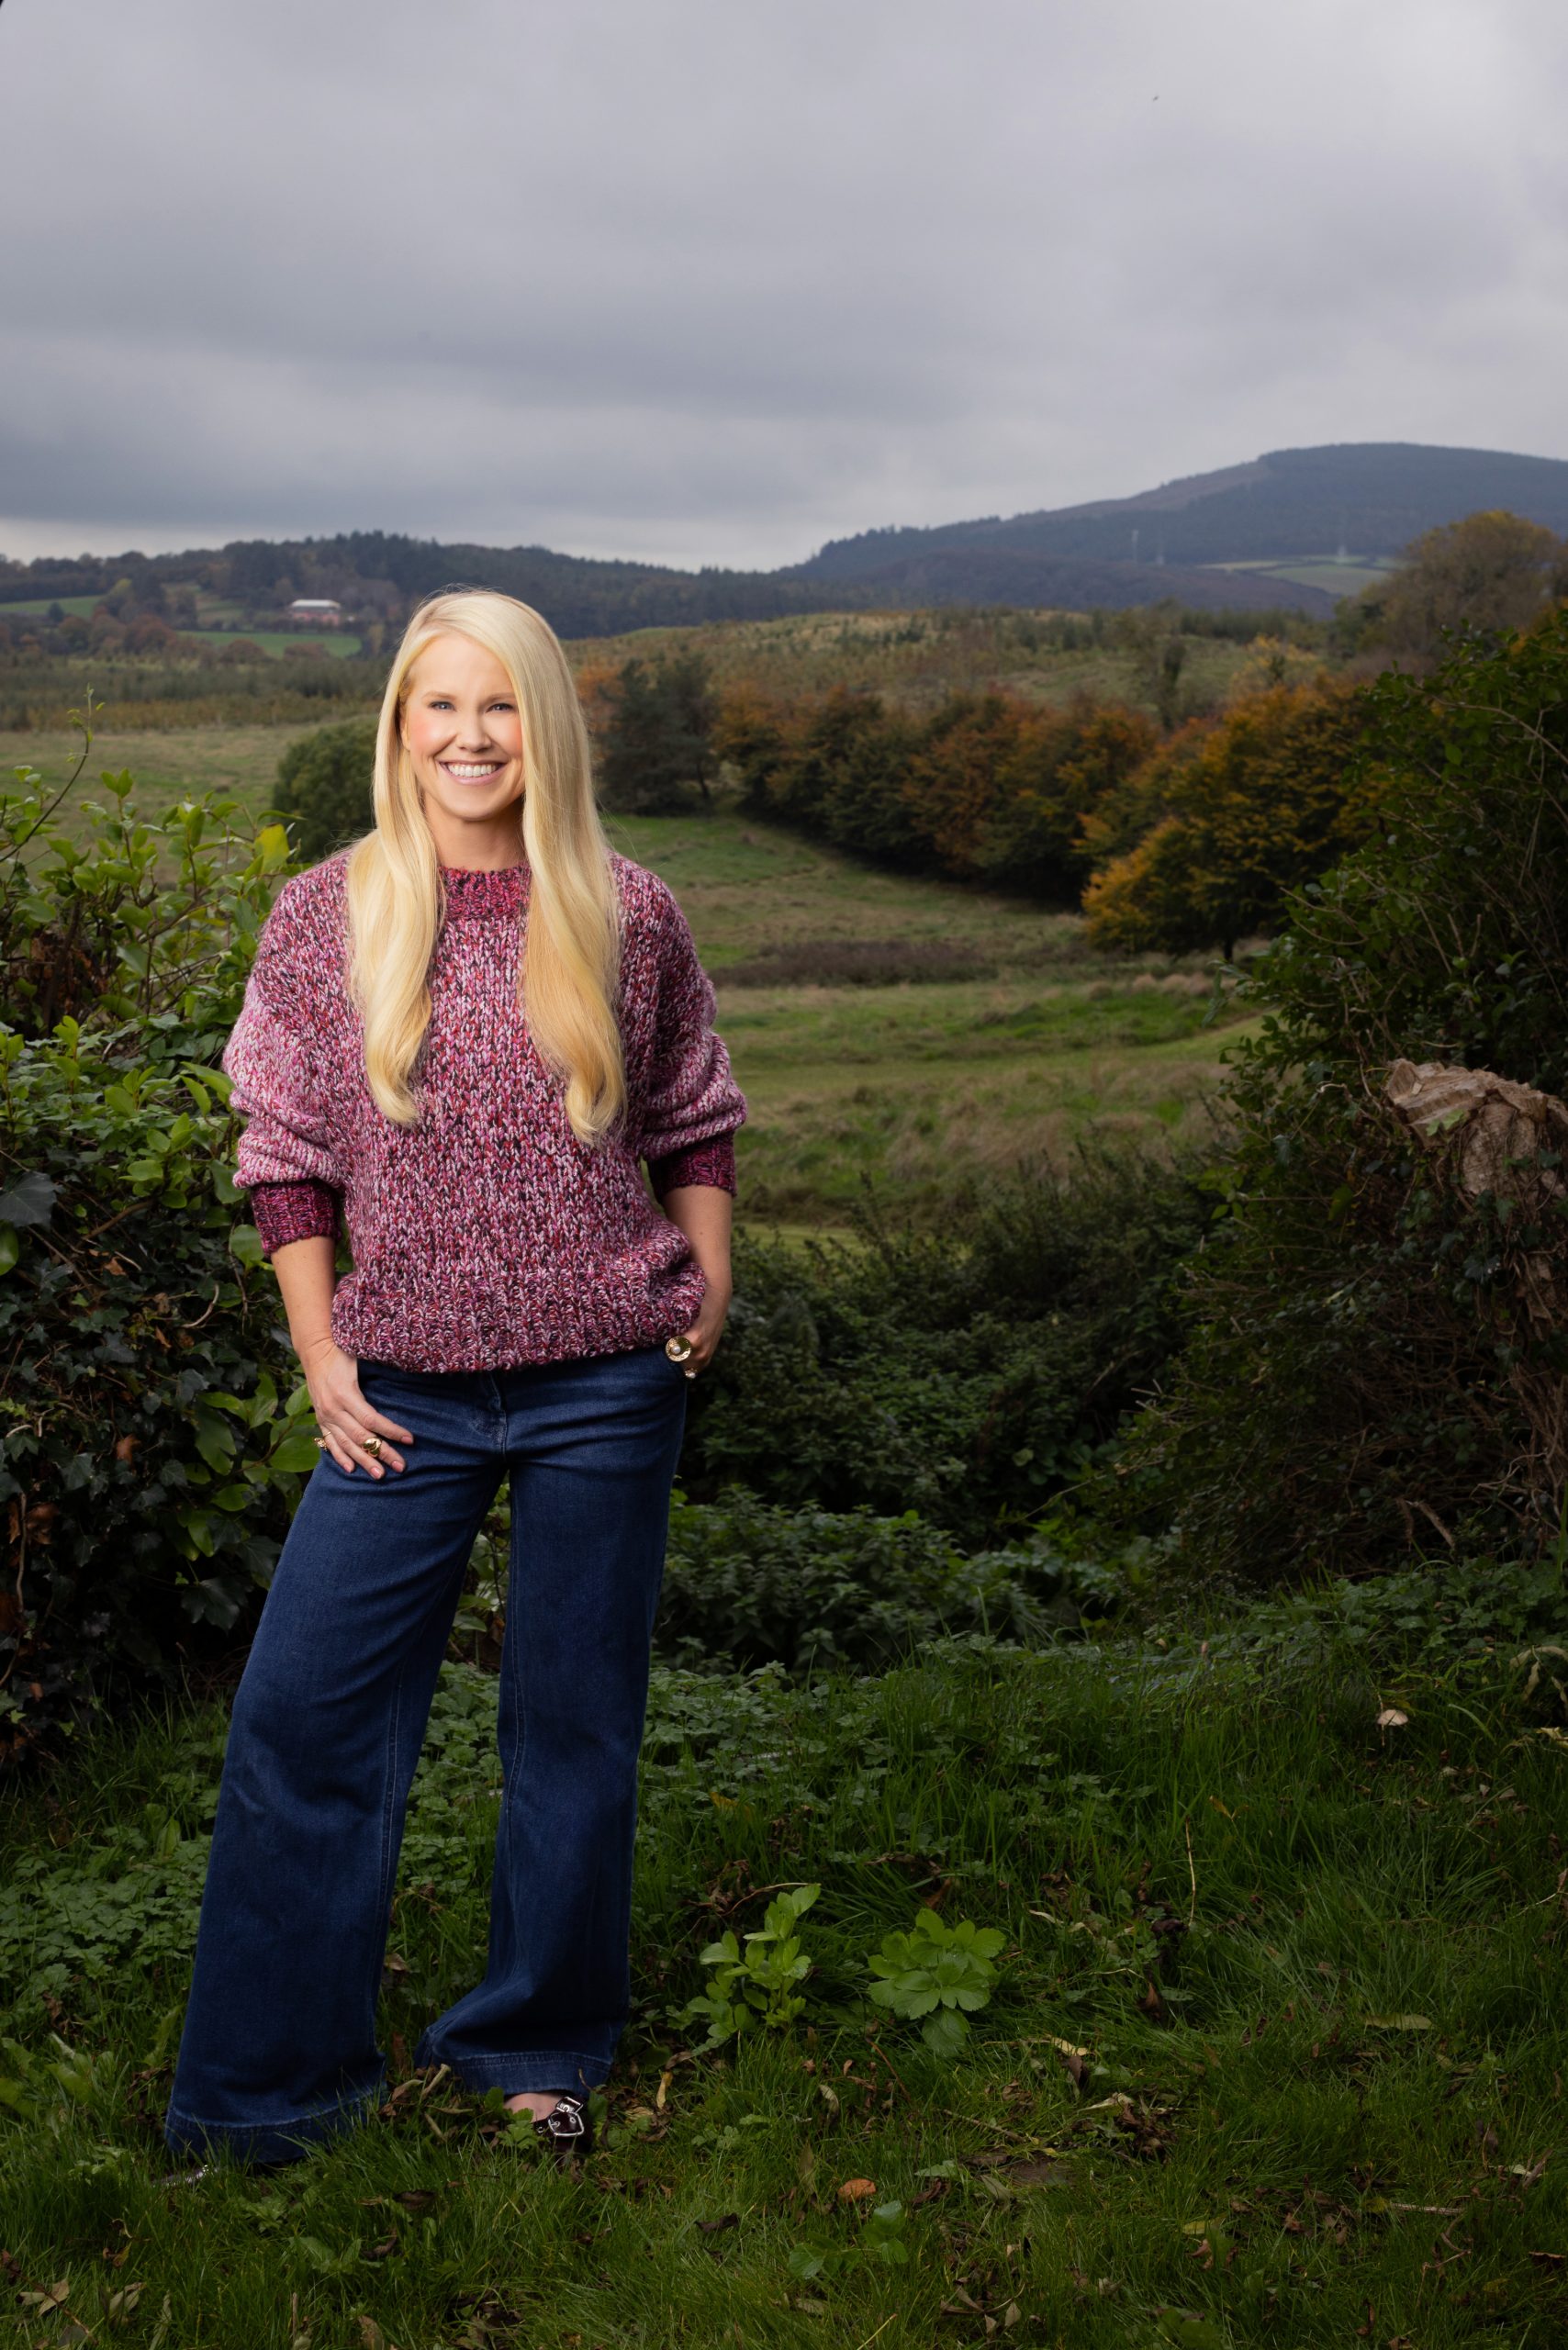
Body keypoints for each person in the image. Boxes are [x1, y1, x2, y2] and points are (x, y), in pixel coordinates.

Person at [163, 588, 746, 2168]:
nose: (471, 737)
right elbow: (285, 1154)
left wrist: (713, 1274)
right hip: (399, 1396)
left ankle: (535, 2047)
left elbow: (693, 1114)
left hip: (606, 1385)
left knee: (574, 1730)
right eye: (441, 705)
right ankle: (268, 2100)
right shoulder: (327, 913)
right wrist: (319, 1351)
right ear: (400, 726)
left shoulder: (626, 909)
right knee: (302, 1724)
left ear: (543, 728)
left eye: (501, 708)